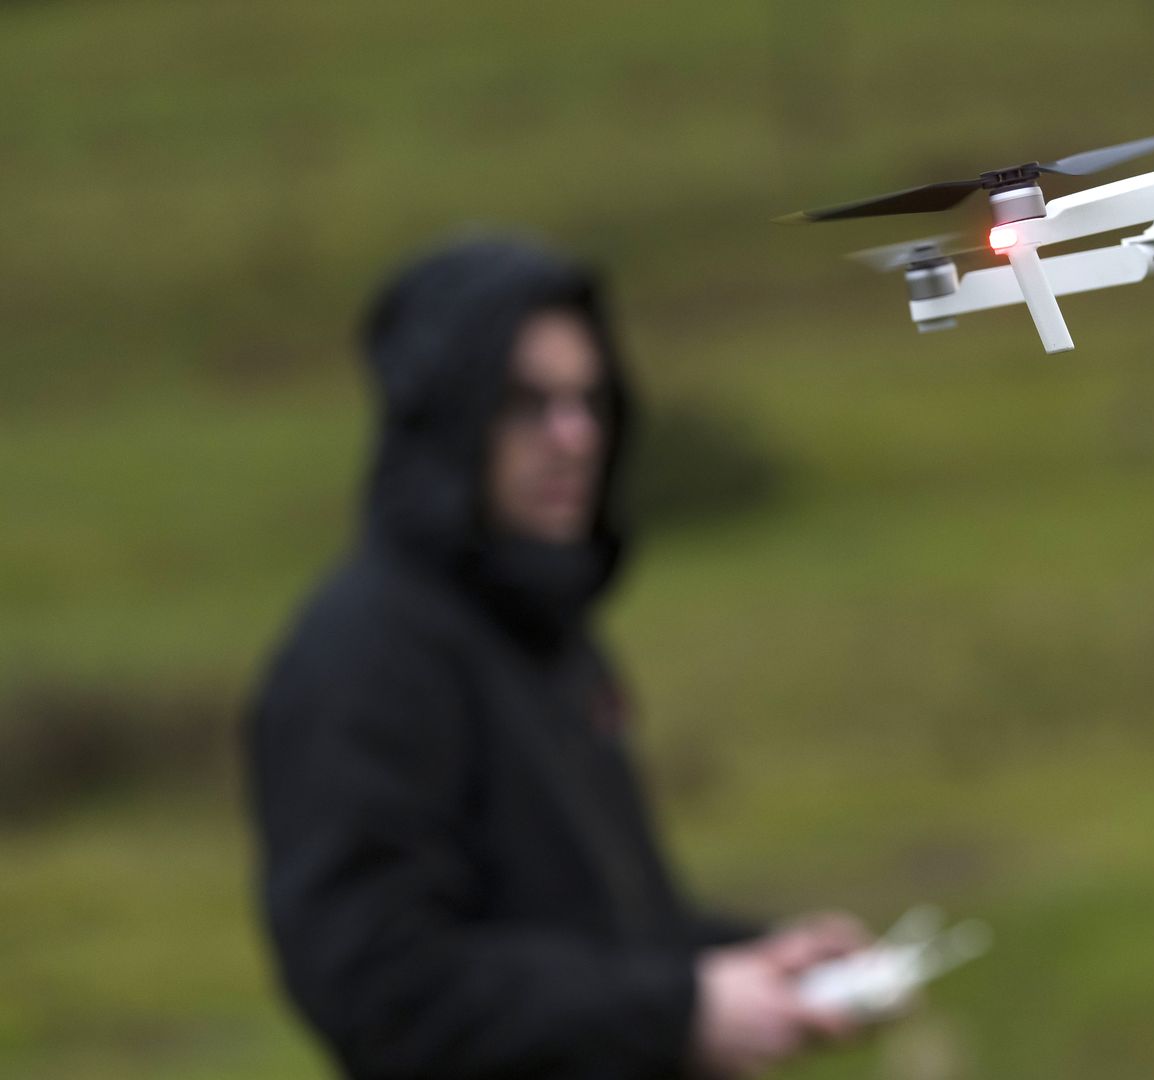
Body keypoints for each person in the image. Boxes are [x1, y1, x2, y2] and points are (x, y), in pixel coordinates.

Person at [247, 233, 870, 1079]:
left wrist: (752, 965)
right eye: (524, 403)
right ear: (446, 416)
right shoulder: (365, 656)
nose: (574, 437)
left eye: (589, 400)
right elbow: (382, 989)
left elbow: (596, 929)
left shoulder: (538, 626)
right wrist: (681, 1010)